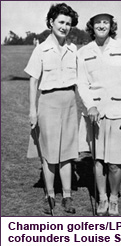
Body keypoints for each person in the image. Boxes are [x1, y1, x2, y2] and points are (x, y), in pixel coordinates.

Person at [77, 12, 121, 216]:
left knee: (114, 163)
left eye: (106, 22)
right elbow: (82, 83)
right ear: (91, 26)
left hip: (118, 113)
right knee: (98, 160)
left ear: (111, 26)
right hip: (95, 115)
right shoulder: (84, 52)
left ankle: (113, 198)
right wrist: (90, 106)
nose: (102, 25)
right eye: (97, 22)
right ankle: (102, 198)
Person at [24, 3, 79, 214]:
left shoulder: (73, 49)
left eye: (68, 23)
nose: (64, 26)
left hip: (69, 102)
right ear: (51, 23)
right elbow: (33, 80)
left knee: (66, 153)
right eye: (61, 22)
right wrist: (32, 110)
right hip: (48, 102)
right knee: (48, 154)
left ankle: (67, 196)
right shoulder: (41, 49)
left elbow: (81, 81)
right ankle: (49, 196)